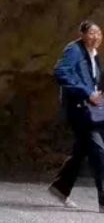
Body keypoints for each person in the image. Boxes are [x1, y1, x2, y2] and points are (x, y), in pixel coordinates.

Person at [49, 19, 104, 210]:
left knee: (81, 150)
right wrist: (86, 92)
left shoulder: (94, 55)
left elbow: (96, 81)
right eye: (92, 33)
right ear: (82, 34)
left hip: (94, 110)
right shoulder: (74, 50)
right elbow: (60, 72)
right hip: (79, 109)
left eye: (99, 33)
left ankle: (60, 187)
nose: (96, 36)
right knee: (99, 150)